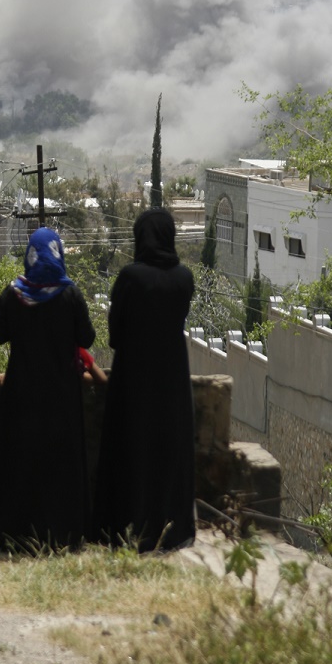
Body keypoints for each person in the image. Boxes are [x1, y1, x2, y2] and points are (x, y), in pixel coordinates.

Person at [0, 226, 95, 552]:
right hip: (61, 396)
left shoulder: (16, 293)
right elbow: (87, 339)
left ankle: (10, 533)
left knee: (16, 463)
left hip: (21, 394)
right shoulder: (70, 294)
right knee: (58, 466)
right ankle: (61, 535)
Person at [93, 208, 195, 553]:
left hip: (134, 378)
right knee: (167, 452)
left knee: (131, 449)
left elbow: (115, 333)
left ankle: (126, 525)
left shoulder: (131, 278)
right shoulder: (184, 278)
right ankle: (170, 528)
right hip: (173, 379)